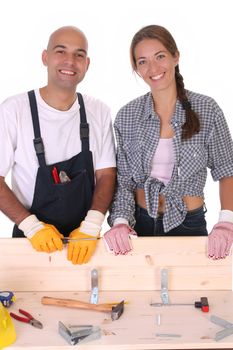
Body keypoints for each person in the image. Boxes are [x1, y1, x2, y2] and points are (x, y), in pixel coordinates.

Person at [103, 25, 233, 259]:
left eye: (160, 56)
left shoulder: (207, 109)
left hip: (189, 224)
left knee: (193, 293)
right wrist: (120, 221)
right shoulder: (127, 115)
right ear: (136, 68)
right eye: (142, 61)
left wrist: (226, 221)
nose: (153, 68)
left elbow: (227, 170)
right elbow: (122, 181)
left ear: (175, 57)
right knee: (137, 294)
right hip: (139, 224)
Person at [0, 26, 116, 264]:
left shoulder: (99, 111)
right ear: (45, 57)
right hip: (29, 243)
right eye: (60, 51)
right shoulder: (14, 110)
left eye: (79, 55)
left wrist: (92, 225)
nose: (70, 61)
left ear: (87, 64)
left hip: (85, 244)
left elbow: (106, 174)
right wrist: (31, 226)